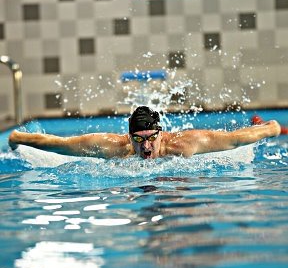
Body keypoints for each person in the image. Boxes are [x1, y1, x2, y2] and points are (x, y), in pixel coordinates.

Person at [9, 106, 281, 159]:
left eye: (152, 138)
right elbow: (62, 144)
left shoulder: (184, 145)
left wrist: (270, 128)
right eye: (139, 140)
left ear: (162, 134)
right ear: (129, 138)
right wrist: (19, 138)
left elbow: (234, 139)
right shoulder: (114, 148)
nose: (146, 147)